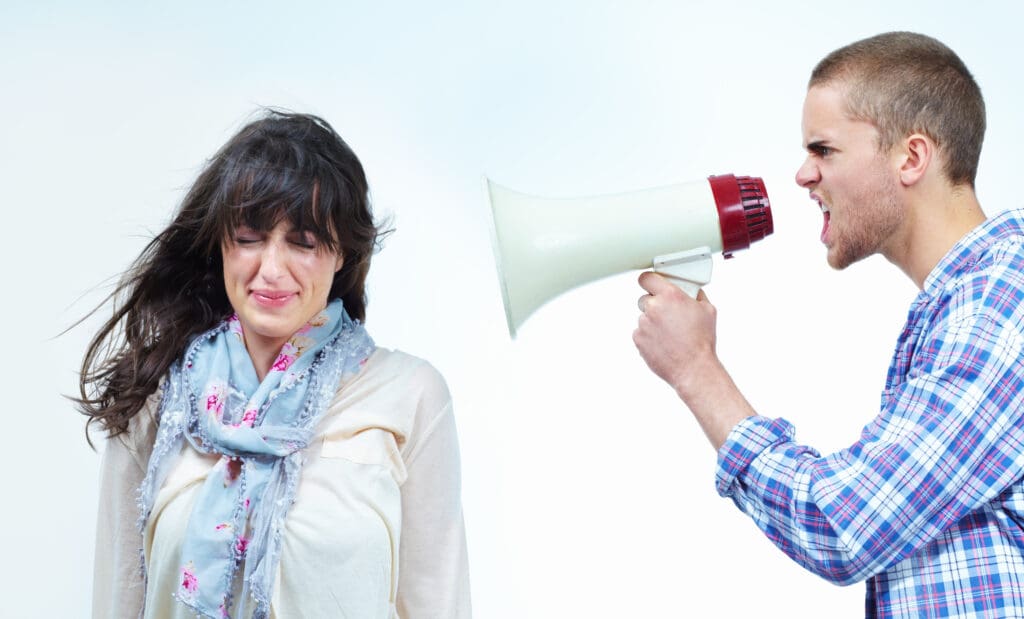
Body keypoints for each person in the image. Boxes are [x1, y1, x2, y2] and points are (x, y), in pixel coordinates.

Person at [633, 31, 1024, 617]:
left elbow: (849, 524)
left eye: (825, 150)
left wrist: (697, 371)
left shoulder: (999, 300)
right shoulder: (966, 304)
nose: (802, 175)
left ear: (911, 158)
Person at [79, 110, 471, 618]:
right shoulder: (158, 399)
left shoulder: (410, 395)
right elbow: (118, 604)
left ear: (343, 255)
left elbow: (440, 603)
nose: (270, 269)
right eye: (248, 237)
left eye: (303, 243)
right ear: (220, 243)